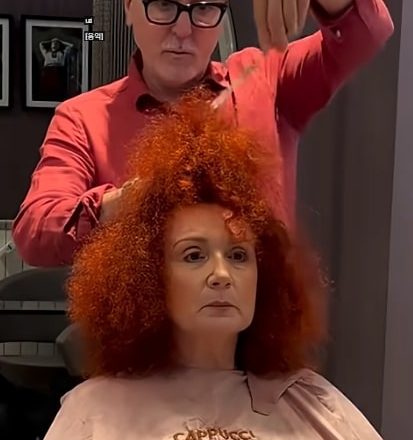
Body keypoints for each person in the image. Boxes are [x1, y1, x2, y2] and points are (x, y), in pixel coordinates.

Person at [44, 95, 381, 439]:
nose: (221, 275)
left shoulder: (313, 403)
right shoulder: (97, 411)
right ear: (150, 277)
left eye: (238, 256)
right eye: (194, 256)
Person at [12, 0, 394, 267]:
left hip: (261, 346)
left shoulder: (264, 79)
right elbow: (35, 232)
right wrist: (129, 201)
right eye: (164, 5)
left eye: (205, 8)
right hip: (140, 351)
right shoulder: (83, 117)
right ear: (129, 7)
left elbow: (369, 31)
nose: (183, 30)